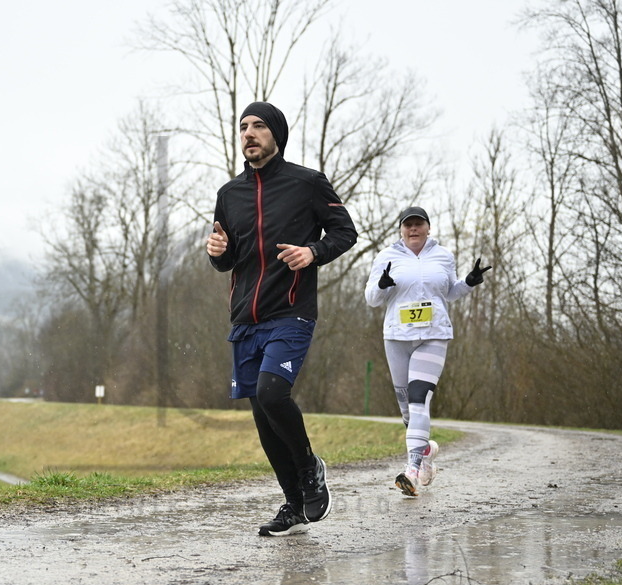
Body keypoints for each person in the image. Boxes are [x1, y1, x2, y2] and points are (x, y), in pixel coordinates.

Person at [206, 101, 358, 536]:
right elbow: (228, 257)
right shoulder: (228, 194)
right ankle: (293, 505)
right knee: (263, 417)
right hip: (245, 320)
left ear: (276, 134)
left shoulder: (307, 183)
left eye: (258, 126)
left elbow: (345, 232)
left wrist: (312, 252)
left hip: (291, 312)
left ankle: (310, 467)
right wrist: (218, 255)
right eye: (243, 127)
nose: (249, 134)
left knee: (274, 395)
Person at [364, 206, 491, 496]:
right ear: (401, 230)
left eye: (418, 224)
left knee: (420, 398)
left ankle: (411, 468)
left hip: (433, 334)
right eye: (408, 225)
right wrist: (382, 286)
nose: (413, 229)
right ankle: (426, 452)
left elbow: (450, 292)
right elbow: (371, 298)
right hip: (397, 337)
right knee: (407, 408)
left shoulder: (443, 256)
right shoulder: (387, 257)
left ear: (428, 228)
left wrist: (469, 283)